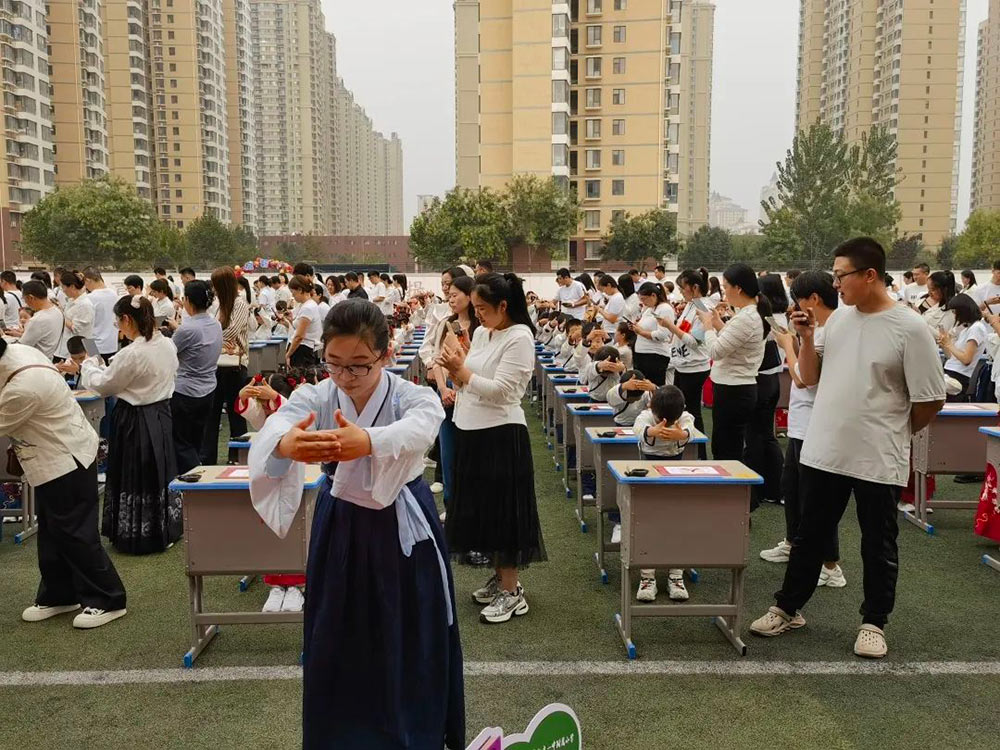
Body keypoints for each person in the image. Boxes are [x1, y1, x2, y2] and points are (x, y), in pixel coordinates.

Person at [249, 300, 464, 748]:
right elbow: (284, 421)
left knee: (407, 631)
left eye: (359, 366)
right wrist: (288, 441)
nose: (345, 377)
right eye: (335, 364)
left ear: (385, 355)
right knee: (336, 634)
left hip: (402, 527)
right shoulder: (319, 395)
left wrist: (366, 440)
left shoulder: (409, 394)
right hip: (341, 524)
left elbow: (425, 424)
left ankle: (414, 732)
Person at [750, 237, 945, 659]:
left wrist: (894, 429)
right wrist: (804, 336)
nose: (836, 283)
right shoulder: (837, 321)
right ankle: (787, 607)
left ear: (869, 275)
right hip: (826, 449)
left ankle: (873, 622)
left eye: (842, 276)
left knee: (878, 542)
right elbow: (810, 378)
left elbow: (930, 399)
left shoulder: (910, 327)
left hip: (878, 454)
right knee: (809, 534)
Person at [439, 273, 545, 625]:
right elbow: (471, 377)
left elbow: (504, 391)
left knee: (504, 515)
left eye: (483, 308)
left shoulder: (520, 336)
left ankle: (513, 591)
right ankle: (501, 579)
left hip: (501, 435)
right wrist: (458, 367)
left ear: (504, 306)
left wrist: (462, 373)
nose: (478, 314)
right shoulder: (483, 333)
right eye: (476, 307)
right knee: (481, 511)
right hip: (470, 429)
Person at [0, 338, 128, 629]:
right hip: (55, 454)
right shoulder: (19, 351)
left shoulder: (22, 388)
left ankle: (108, 598)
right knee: (52, 530)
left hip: (65, 458)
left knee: (75, 532)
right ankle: (59, 594)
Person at [66, 295, 182, 555]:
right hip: (161, 413)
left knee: (135, 474)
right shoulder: (166, 344)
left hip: (136, 418)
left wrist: (87, 365)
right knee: (159, 470)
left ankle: (137, 534)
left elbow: (104, 384)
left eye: (118, 321)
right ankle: (165, 528)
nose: (118, 327)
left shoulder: (133, 353)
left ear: (128, 320)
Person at [760, 271, 845, 588]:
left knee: (816, 498)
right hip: (801, 422)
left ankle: (831, 565)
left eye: (797, 298)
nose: (794, 305)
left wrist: (788, 345)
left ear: (813, 299)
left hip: (816, 424)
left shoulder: (830, 331)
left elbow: (803, 378)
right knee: (792, 490)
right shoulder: (819, 329)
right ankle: (794, 543)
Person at [696, 264, 767, 462]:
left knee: (727, 447)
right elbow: (732, 340)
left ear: (738, 288)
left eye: (726, 287)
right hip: (734, 386)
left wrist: (708, 326)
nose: (724, 292)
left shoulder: (746, 317)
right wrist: (718, 323)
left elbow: (715, 351)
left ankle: (731, 490)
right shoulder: (748, 315)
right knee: (726, 443)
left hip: (735, 388)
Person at [632, 384, 697, 602]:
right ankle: (647, 576)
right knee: (646, 523)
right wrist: (652, 431)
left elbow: (691, 431)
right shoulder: (645, 416)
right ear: (652, 408)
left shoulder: (686, 417)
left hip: (677, 476)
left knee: (678, 523)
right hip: (648, 477)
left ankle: (676, 575)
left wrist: (682, 434)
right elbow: (637, 429)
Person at [430, 276, 479, 511]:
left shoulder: (481, 328)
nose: (450, 299)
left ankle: (472, 507)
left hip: (473, 395)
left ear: (470, 296)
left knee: (472, 455)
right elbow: (437, 360)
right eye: (448, 295)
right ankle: (451, 506)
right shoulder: (445, 324)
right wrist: (443, 388)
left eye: (455, 295)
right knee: (449, 454)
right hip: (448, 395)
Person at [743, 274, 788, 508]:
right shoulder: (781, 316)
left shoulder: (768, 319)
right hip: (773, 380)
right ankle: (776, 488)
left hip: (760, 380)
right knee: (766, 436)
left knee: (755, 437)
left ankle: (755, 491)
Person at [169, 281, 223, 475]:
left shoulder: (187, 329)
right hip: (208, 388)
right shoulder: (215, 323)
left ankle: (194, 479)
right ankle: (197, 476)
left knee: (181, 443)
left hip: (185, 391)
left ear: (188, 301)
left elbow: (168, 354)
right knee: (196, 440)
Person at [661, 269, 715, 459]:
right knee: (683, 410)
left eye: (683, 288)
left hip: (695, 366)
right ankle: (686, 449)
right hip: (683, 364)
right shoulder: (691, 305)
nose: (681, 292)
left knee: (692, 412)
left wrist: (670, 326)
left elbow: (694, 340)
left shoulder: (703, 308)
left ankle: (699, 454)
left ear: (695, 287)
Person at [200, 266, 250, 465]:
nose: (213, 289)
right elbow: (220, 333)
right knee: (211, 415)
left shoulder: (239, 304)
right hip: (218, 365)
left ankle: (237, 458)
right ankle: (207, 459)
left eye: (216, 285)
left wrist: (212, 337)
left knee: (236, 414)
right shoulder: (220, 305)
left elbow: (231, 332)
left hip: (235, 367)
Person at [937, 294, 988, 398]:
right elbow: (953, 357)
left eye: (955, 312)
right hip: (950, 372)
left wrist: (949, 344)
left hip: (958, 377)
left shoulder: (976, 328)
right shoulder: (966, 329)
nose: (954, 316)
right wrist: (944, 344)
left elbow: (966, 359)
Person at [631, 281, 673, 386]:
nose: (643, 303)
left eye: (644, 299)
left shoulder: (664, 309)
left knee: (652, 387)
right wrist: (636, 327)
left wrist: (641, 332)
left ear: (653, 295)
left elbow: (662, 335)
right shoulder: (650, 309)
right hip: (643, 354)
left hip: (654, 356)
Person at [15, 280, 64, 360]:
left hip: (35, 362)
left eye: (24, 299)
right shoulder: (57, 311)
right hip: (48, 359)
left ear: (31, 297)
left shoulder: (38, 320)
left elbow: (21, 347)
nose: (25, 303)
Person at [54, 271, 95, 362]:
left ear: (72, 286)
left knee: (88, 371)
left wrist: (61, 315)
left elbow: (76, 328)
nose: (62, 290)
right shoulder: (72, 300)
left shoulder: (85, 304)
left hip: (81, 349)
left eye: (63, 287)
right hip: (71, 347)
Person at [82, 268, 120, 363]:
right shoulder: (114, 295)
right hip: (112, 344)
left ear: (87, 280)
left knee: (92, 372)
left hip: (92, 344)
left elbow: (85, 325)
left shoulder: (89, 298)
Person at [286, 275, 323, 367]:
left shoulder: (307, 308)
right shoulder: (306, 305)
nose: (292, 296)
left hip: (301, 350)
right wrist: (290, 321)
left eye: (293, 292)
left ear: (299, 290)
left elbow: (299, 336)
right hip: (302, 349)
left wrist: (288, 354)